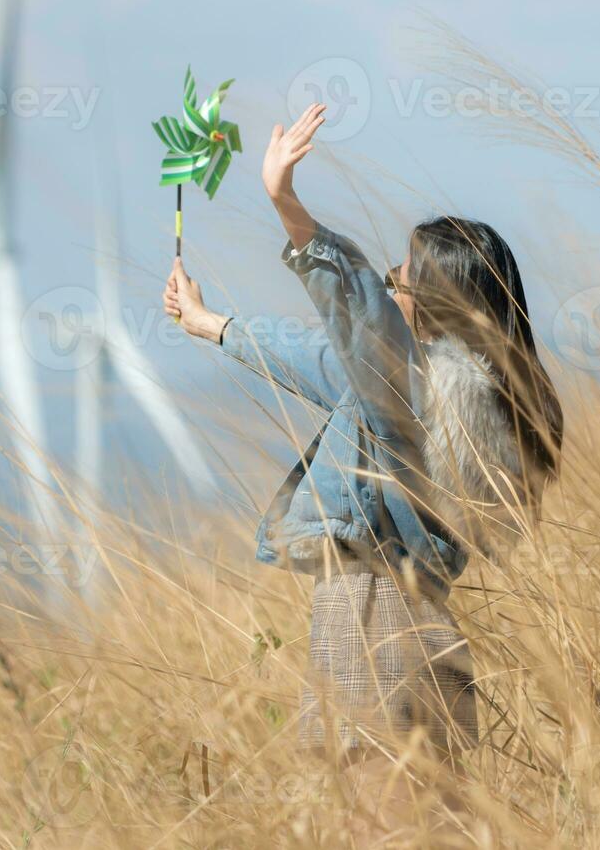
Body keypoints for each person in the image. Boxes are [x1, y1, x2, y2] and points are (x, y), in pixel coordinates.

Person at [162, 102, 564, 794]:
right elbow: (317, 355)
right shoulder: (459, 396)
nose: (387, 279)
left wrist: (286, 203)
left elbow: (354, 310)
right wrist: (211, 324)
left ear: (429, 301)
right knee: (440, 817)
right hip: (429, 626)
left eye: (399, 274)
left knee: (373, 818)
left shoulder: (407, 383)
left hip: (369, 615)